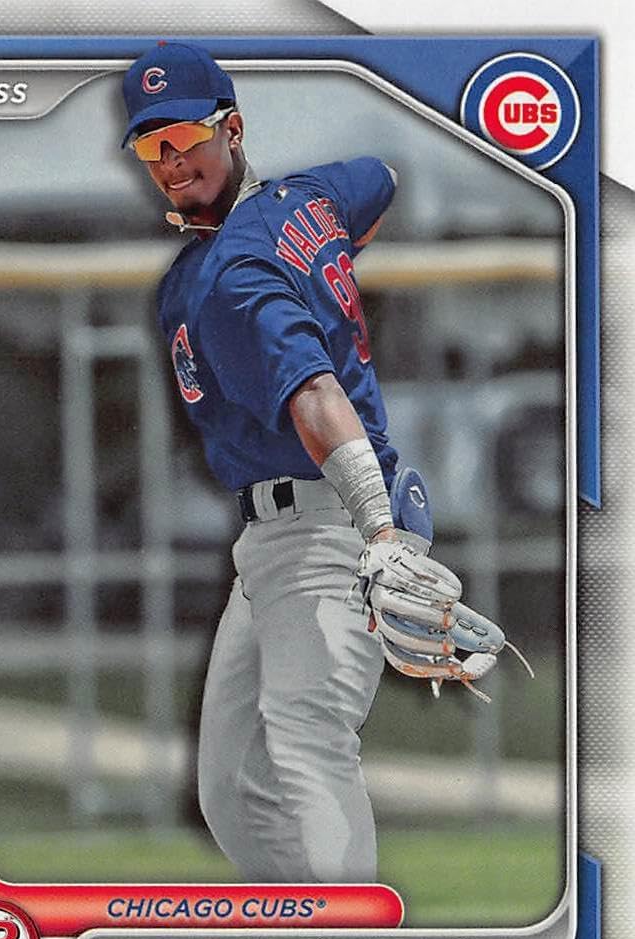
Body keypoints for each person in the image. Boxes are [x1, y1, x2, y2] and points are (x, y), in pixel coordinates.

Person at [121, 42, 505, 884]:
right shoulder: (307, 202)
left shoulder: (231, 276)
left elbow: (315, 394)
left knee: (307, 740)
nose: (171, 160)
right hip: (271, 542)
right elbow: (381, 178)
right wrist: (319, 252)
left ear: (231, 128)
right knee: (229, 784)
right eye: (150, 145)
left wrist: (379, 531)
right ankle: (320, 935)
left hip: (333, 525)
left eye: (184, 136)